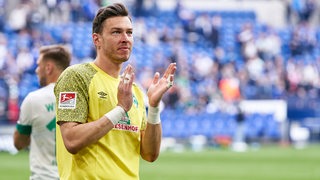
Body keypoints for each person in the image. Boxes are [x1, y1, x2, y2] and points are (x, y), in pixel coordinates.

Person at [54, 3, 177, 180]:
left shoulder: (134, 90)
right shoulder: (77, 76)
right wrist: (120, 109)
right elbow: (72, 140)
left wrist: (154, 106)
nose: (125, 38)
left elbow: (150, 154)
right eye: (116, 32)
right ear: (97, 40)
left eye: (129, 32)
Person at [13, 44, 71, 179]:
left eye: (39, 65)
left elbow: (19, 144)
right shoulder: (80, 97)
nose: (36, 70)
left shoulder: (33, 99)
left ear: (48, 68)